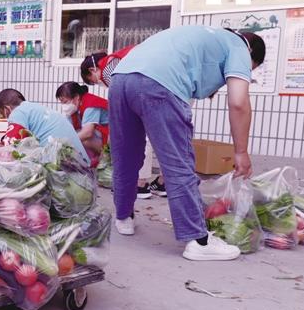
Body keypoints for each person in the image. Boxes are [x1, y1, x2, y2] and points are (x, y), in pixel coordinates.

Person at [109, 25, 265, 261]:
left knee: (125, 155)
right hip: (158, 84)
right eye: (249, 70)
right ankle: (198, 241)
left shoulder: (206, 35)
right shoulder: (239, 48)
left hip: (120, 79)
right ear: (251, 54)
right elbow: (238, 101)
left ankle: (123, 218)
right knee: (178, 164)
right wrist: (241, 152)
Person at [80, 49, 166, 198]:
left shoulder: (109, 71)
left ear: (93, 70)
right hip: (169, 85)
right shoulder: (118, 61)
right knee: (165, 137)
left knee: (141, 137)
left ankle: (140, 184)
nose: (98, 83)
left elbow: (123, 99)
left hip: (154, 92)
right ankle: (164, 182)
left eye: (93, 80)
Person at [0, 88, 89, 162]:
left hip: (67, 170)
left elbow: (9, 150)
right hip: (82, 164)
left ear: (6, 109)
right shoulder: (35, 108)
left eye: (3, 115)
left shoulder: (17, 112)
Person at [55, 82, 109, 164]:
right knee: (75, 136)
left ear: (76, 97)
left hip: (115, 137)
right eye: (61, 103)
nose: (64, 106)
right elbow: (69, 130)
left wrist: (65, 143)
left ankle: (107, 156)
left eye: (65, 102)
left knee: (83, 139)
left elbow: (87, 133)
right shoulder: (75, 109)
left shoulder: (90, 103)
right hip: (105, 135)